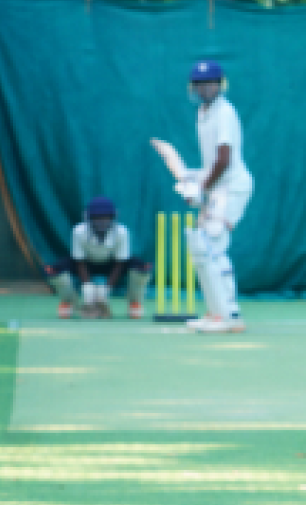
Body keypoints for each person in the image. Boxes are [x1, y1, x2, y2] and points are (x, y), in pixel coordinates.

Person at [153, 59, 254, 334]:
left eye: (211, 84)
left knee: (213, 243)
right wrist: (195, 183)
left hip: (232, 186)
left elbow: (223, 160)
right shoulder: (202, 112)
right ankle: (214, 312)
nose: (206, 89)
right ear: (193, 88)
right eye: (200, 85)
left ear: (220, 85)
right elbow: (212, 165)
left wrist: (200, 188)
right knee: (200, 247)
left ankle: (230, 315)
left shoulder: (225, 112)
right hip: (217, 186)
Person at [46, 196, 150, 320]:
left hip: (111, 263)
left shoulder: (122, 232)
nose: (102, 222)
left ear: (112, 218)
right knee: (55, 270)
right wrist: (87, 287)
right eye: (97, 218)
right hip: (86, 263)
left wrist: (107, 289)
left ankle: (134, 302)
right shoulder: (78, 231)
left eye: (106, 218)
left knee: (141, 268)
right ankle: (67, 301)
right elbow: (79, 261)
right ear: (89, 218)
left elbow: (120, 262)